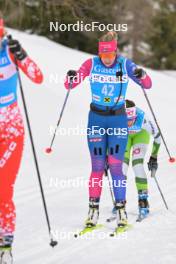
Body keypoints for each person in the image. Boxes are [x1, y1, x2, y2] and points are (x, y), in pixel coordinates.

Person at [64, 31, 152, 229]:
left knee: (115, 167)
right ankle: (93, 210)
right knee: (96, 168)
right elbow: (70, 84)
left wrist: (142, 74)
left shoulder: (125, 64)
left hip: (118, 121)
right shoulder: (91, 64)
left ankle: (121, 209)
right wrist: (70, 77)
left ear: (115, 52)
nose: (107, 60)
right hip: (96, 119)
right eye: (104, 56)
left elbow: (148, 84)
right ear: (99, 54)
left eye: (110, 56)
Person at [0, 18, 43, 260]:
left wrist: (23, 56)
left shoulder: (10, 50)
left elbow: (38, 77)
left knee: (2, 189)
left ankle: (5, 245)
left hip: (11, 131)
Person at [112, 99, 161, 221]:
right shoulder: (116, 118)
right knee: (121, 167)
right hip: (125, 136)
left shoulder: (145, 120)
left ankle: (143, 200)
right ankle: (120, 200)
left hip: (141, 134)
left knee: (137, 165)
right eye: (126, 121)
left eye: (131, 120)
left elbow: (158, 138)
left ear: (135, 116)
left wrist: (154, 156)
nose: (129, 123)